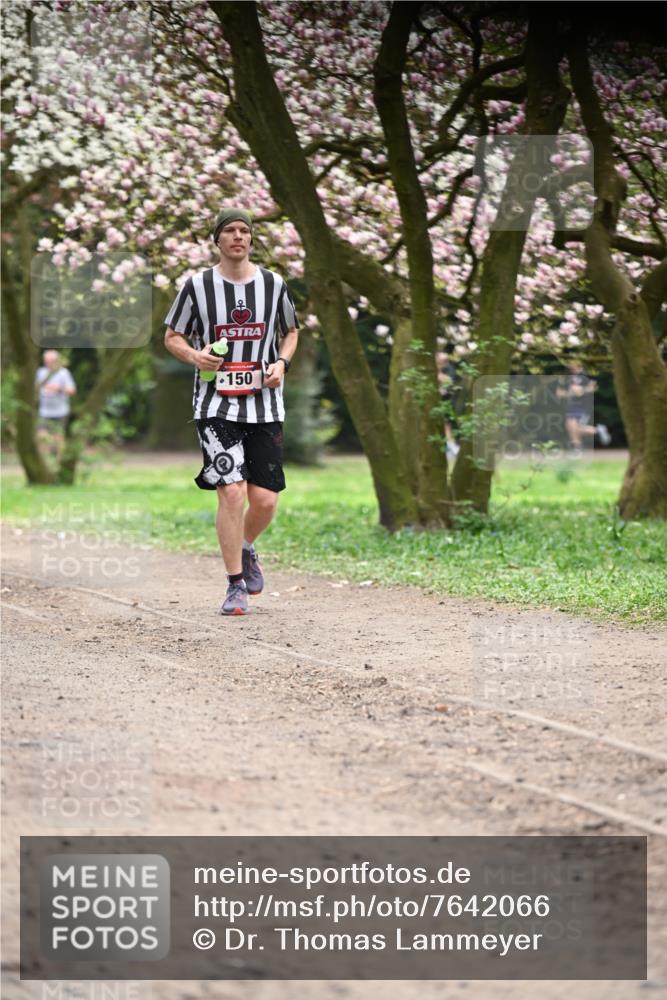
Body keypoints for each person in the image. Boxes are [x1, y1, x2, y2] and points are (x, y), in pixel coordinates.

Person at [163, 208, 299, 616]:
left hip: (264, 403)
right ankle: (235, 584)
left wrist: (281, 364)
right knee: (232, 491)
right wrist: (195, 355)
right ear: (217, 240)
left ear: (251, 239)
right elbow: (172, 336)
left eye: (244, 231)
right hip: (215, 404)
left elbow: (291, 331)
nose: (237, 237)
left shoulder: (274, 285)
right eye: (229, 231)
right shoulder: (198, 286)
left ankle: (243, 547)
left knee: (266, 500)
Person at [556, 360, 611, 451]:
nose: (569, 364)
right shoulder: (566, 377)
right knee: (569, 426)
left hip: (583, 406)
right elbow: (559, 393)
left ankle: (595, 432)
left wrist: (581, 390)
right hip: (572, 406)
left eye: (571, 362)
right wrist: (570, 393)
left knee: (575, 427)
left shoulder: (585, 375)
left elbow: (594, 388)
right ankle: (578, 448)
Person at [35, 349, 76, 463]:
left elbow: (72, 390)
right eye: (46, 361)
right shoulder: (41, 372)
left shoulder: (63, 373)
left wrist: (58, 388)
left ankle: (59, 462)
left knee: (58, 437)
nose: (48, 363)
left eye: (50, 361)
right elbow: (34, 390)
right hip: (44, 411)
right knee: (41, 436)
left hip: (60, 411)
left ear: (56, 361)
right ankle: (43, 462)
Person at [435, 350, 460, 458]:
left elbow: (448, 381)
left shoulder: (449, 369)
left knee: (448, 425)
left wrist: (438, 373)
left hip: (448, 401)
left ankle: (454, 449)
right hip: (438, 401)